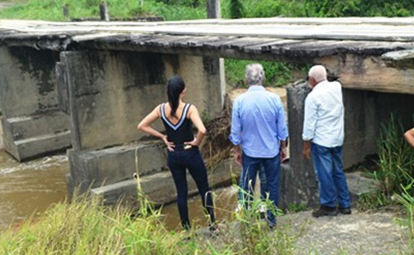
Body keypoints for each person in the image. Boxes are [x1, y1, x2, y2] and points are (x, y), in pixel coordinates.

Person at [137, 75, 216, 231]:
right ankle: (213, 226)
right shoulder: (189, 109)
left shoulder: (160, 109)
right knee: (204, 189)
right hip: (190, 153)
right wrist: (196, 142)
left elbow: (142, 125)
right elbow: (202, 130)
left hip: (174, 155)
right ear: (183, 91)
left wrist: (163, 137)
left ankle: (186, 230)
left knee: (181, 193)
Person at [230, 63, 288, 228]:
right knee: (272, 186)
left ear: (246, 79)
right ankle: (271, 220)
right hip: (271, 151)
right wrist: (283, 147)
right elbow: (282, 129)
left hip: (250, 152)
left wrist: (237, 150)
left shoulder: (239, 101)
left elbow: (236, 131)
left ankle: (247, 220)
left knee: (247, 186)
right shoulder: (274, 99)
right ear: (263, 78)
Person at [302, 65, 351, 218]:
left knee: (324, 174)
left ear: (312, 80)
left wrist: (306, 144)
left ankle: (329, 205)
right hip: (337, 138)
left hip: (322, 140)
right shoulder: (336, 87)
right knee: (338, 171)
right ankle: (345, 204)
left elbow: (309, 125)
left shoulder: (312, 97)